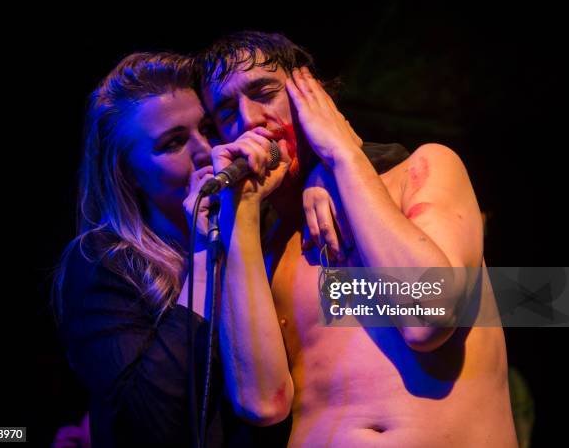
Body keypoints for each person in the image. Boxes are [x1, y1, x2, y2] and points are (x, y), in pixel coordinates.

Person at [198, 31, 518, 447]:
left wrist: (341, 154)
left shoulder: (422, 171)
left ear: (310, 92)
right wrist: (240, 214)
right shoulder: (265, 249)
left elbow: (427, 318)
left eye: (264, 92)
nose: (248, 119)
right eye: (226, 112)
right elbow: (261, 404)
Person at [53, 50, 358, 447]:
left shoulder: (269, 227)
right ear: (129, 176)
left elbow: (426, 310)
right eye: (173, 142)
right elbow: (150, 424)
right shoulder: (104, 265)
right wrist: (203, 254)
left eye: (210, 129)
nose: (204, 151)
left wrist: (323, 172)